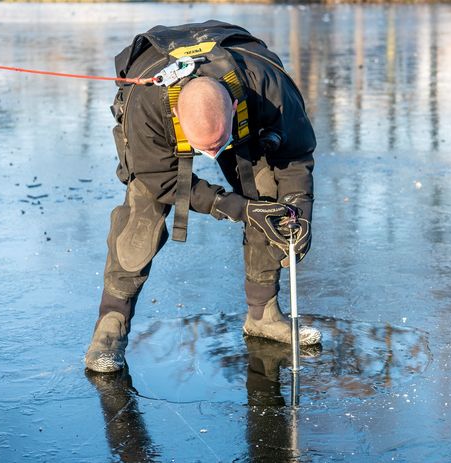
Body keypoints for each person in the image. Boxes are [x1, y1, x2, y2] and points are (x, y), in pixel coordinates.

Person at [84, 20, 321, 373]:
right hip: (158, 122)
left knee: (270, 202)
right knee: (141, 216)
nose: (211, 157)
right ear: (178, 116)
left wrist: (298, 209)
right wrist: (233, 207)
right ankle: (109, 331)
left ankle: (264, 315)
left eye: (219, 147)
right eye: (202, 150)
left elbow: (296, 154)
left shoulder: (267, 86)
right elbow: (160, 179)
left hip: (243, 95)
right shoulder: (146, 105)